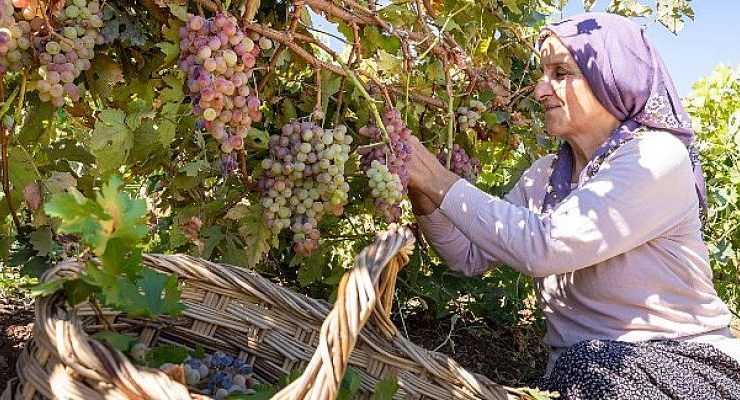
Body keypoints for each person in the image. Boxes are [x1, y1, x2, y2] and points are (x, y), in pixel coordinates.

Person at [406, 12, 740, 400]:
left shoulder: (656, 157)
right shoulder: (544, 175)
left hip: (684, 365)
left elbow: (546, 248)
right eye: (542, 73)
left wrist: (438, 178)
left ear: (612, 76)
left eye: (560, 72)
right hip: (587, 374)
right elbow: (468, 256)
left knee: (586, 365)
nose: (539, 90)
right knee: (584, 365)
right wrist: (420, 189)